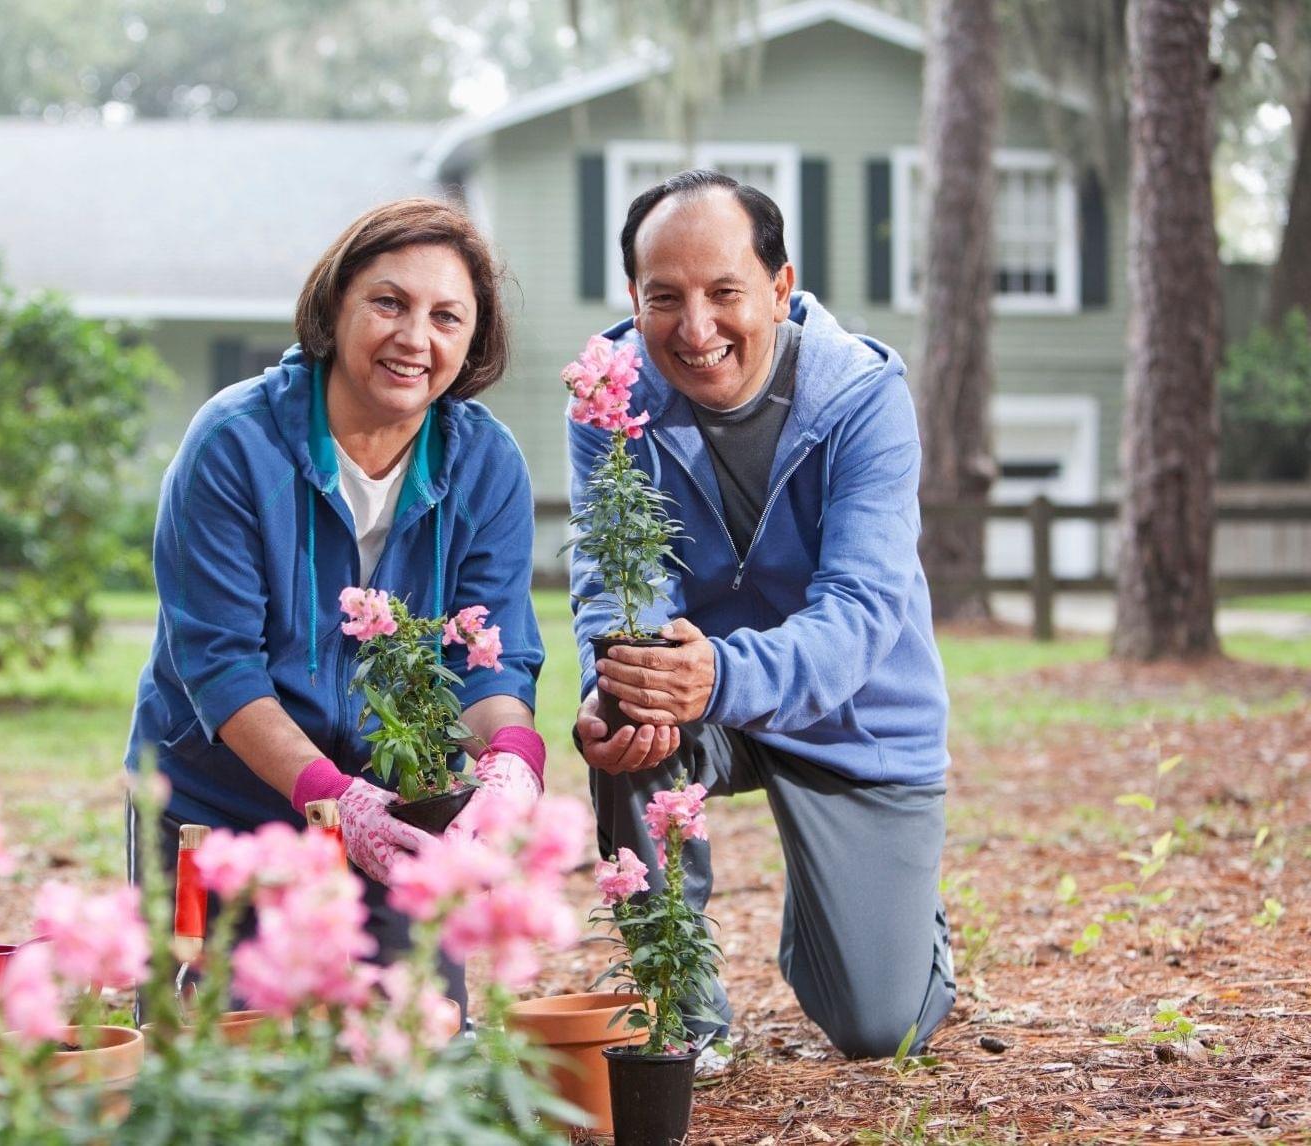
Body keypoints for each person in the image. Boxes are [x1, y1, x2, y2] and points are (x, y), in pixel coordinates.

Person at [569, 169, 956, 1062]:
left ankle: (876, 921)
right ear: (634, 296)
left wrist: (721, 675)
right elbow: (613, 577)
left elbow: (862, 611)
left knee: (879, 1027)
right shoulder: (609, 393)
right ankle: (684, 1023)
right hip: (699, 697)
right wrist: (610, 680)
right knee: (627, 707)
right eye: (665, 298)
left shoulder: (863, 397)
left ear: (780, 288)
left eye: (724, 292)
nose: (694, 328)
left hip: (854, 714)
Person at [125, 198, 547, 1010]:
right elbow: (220, 667)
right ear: (335, 307)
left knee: (409, 1047)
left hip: (400, 814)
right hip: (221, 808)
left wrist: (510, 763)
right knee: (214, 1058)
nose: (414, 338)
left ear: (473, 341)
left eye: (447, 317)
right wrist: (336, 798)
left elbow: (489, 662)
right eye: (388, 303)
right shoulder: (235, 444)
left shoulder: (486, 464)